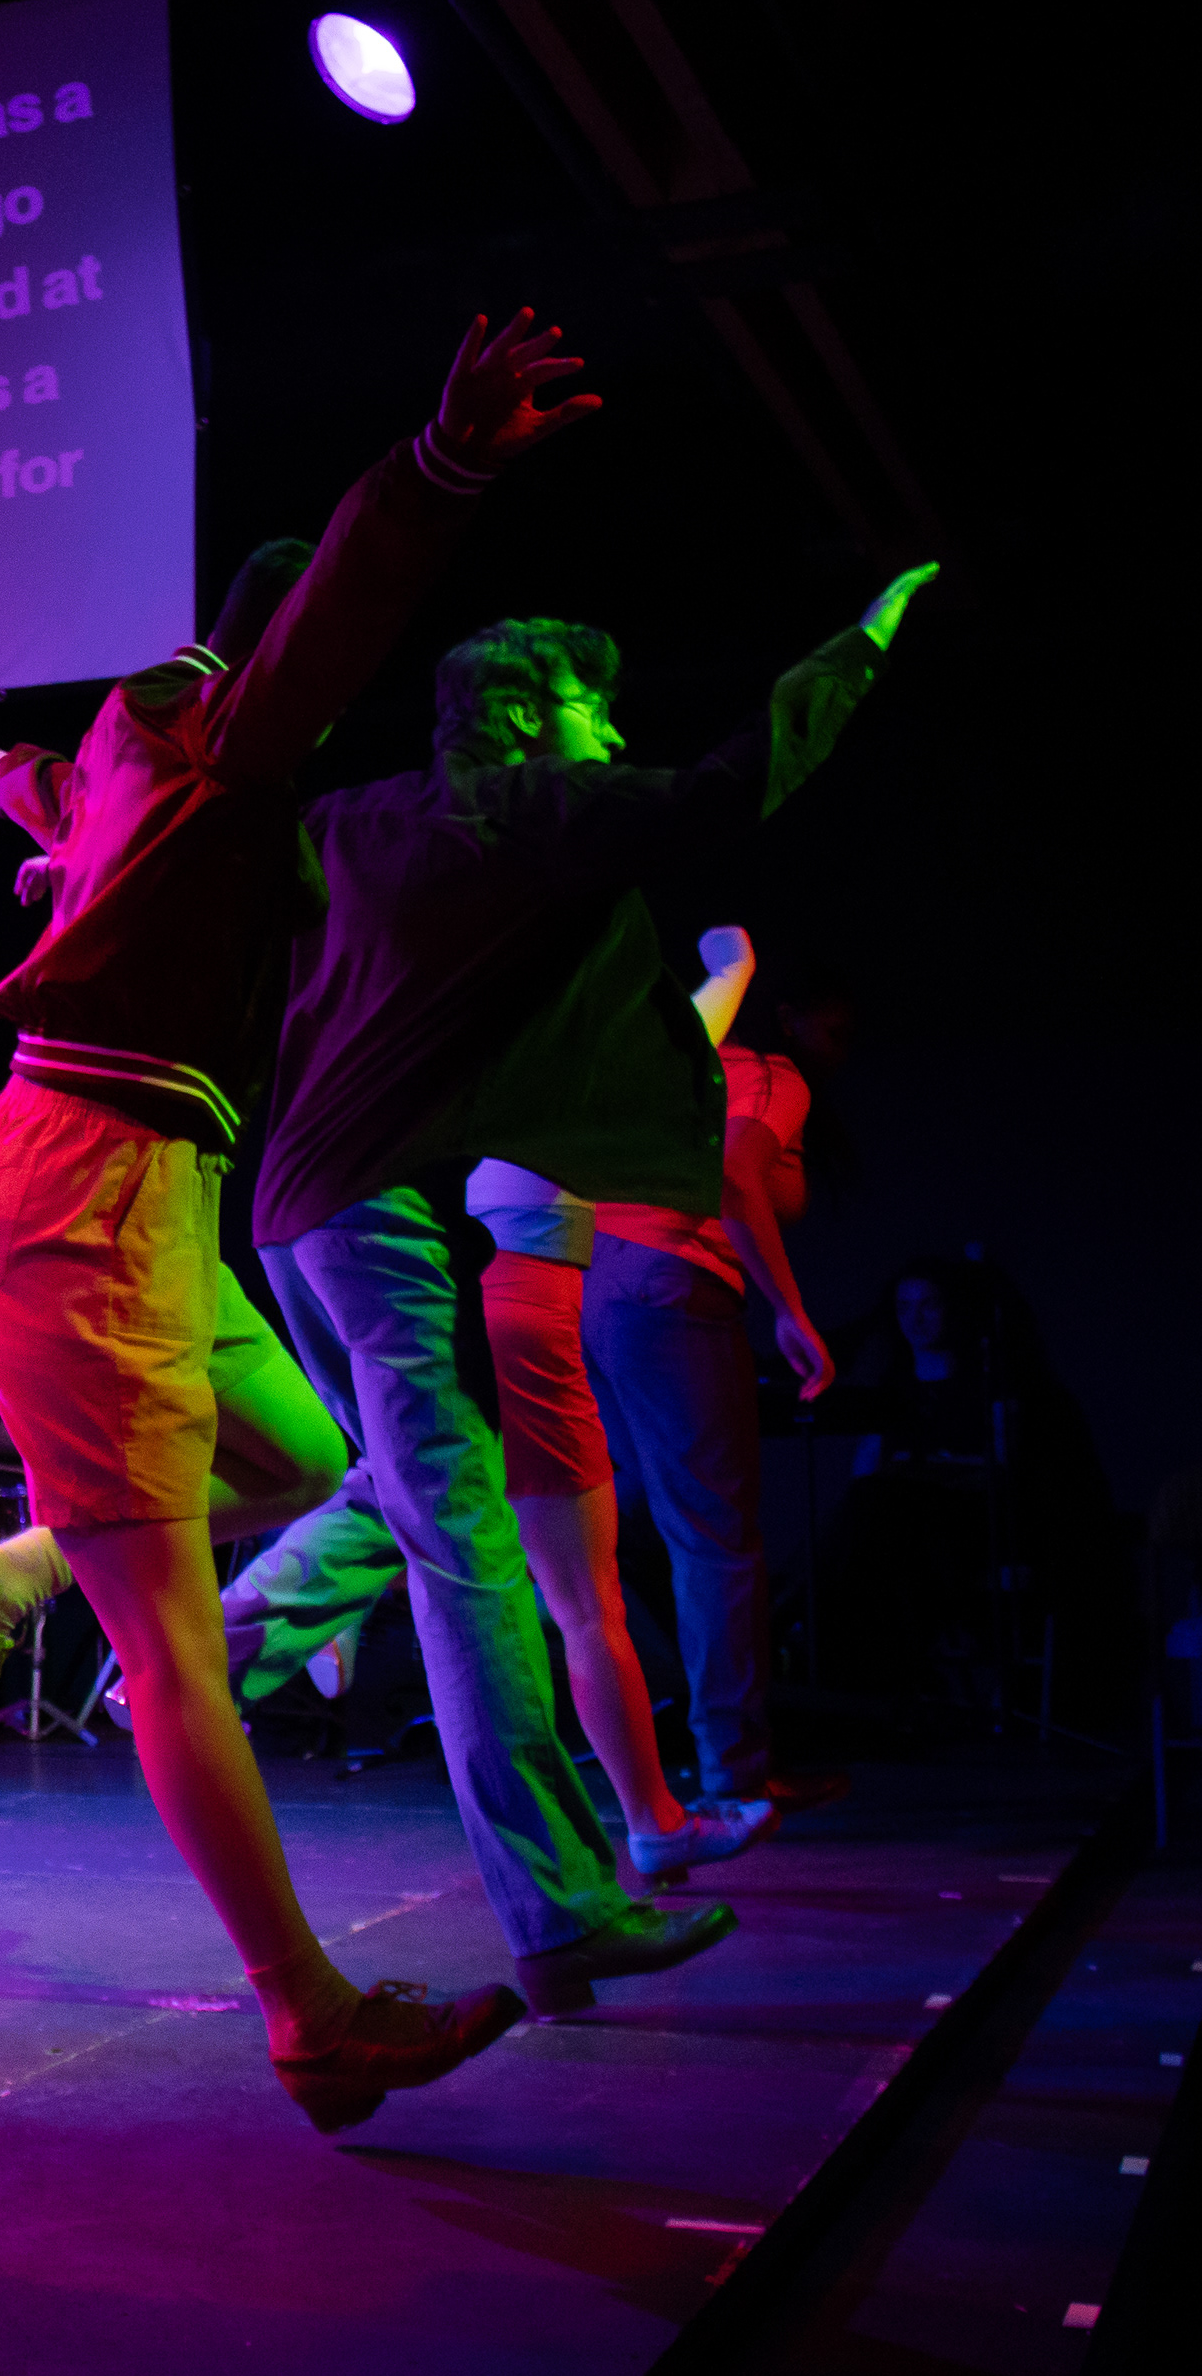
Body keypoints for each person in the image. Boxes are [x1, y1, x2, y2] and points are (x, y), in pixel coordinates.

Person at [0, 315, 586, 2128]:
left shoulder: (150, 752)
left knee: (300, 1463)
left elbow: (91, 815)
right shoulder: (223, 738)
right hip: (82, 1183)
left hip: (144, 1191)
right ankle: (310, 2013)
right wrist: (442, 466)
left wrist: (22, 795)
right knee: (174, 1650)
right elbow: (336, 615)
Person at [243, 559, 936, 2016]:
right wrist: (862, 642)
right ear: (518, 718)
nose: (611, 734)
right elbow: (723, 789)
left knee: (407, 1497)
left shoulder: (349, 820)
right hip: (374, 1221)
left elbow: (216, 851)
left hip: (296, 1216)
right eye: (589, 709)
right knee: (470, 1556)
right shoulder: (527, 815)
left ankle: (181, 1654)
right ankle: (561, 1914)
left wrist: (59, 827)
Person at [455, 925, 781, 1876]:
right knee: (579, 1599)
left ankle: (649, 1822)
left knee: (477, 1553)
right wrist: (733, 970)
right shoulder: (569, 1061)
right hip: (525, 1299)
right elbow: (688, 1038)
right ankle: (253, 1633)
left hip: (502, 1289)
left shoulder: (494, 1053)